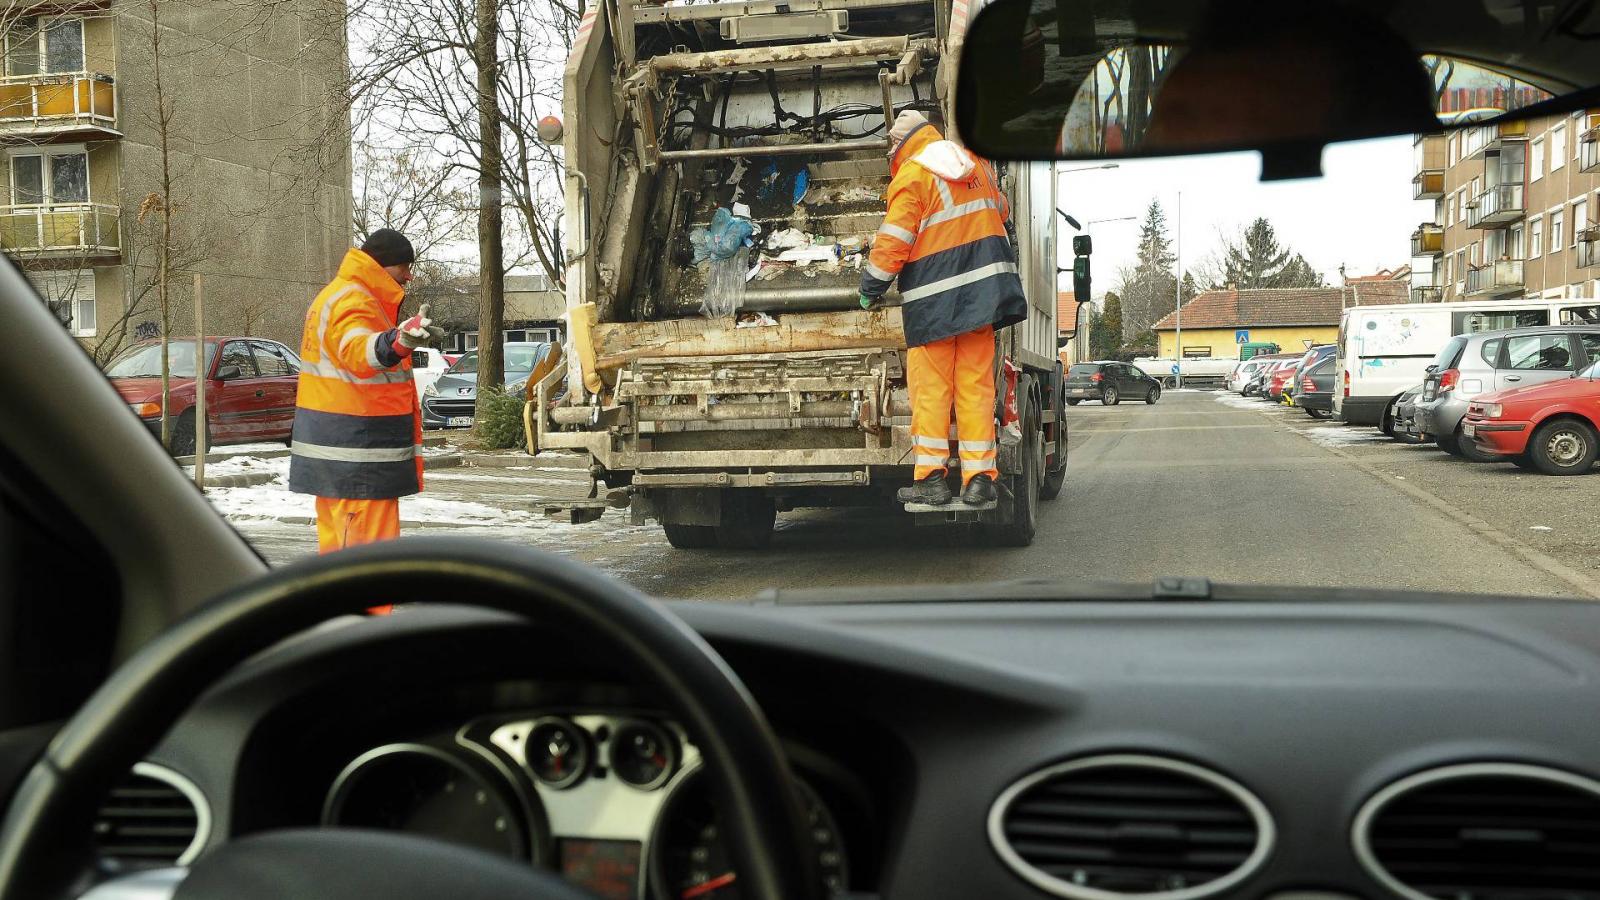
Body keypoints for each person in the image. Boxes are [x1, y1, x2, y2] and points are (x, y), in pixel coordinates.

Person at [859, 110, 1027, 506]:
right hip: (982, 302)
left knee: (932, 392)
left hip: (934, 305)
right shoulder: (975, 166)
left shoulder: (913, 176)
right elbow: (1001, 211)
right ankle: (979, 480)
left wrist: (870, 286)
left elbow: (895, 241)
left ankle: (932, 479)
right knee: (975, 389)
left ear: (901, 146)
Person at [288, 228, 444, 580]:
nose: (409, 275)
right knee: (365, 563)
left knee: (343, 552)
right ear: (382, 266)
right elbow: (360, 350)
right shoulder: (355, 300)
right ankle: (364, 627)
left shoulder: (341, 295)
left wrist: (398, 335)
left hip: (345, 453)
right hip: (357, 454)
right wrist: (399, 341)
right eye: (404, 266)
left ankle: (352, 624)